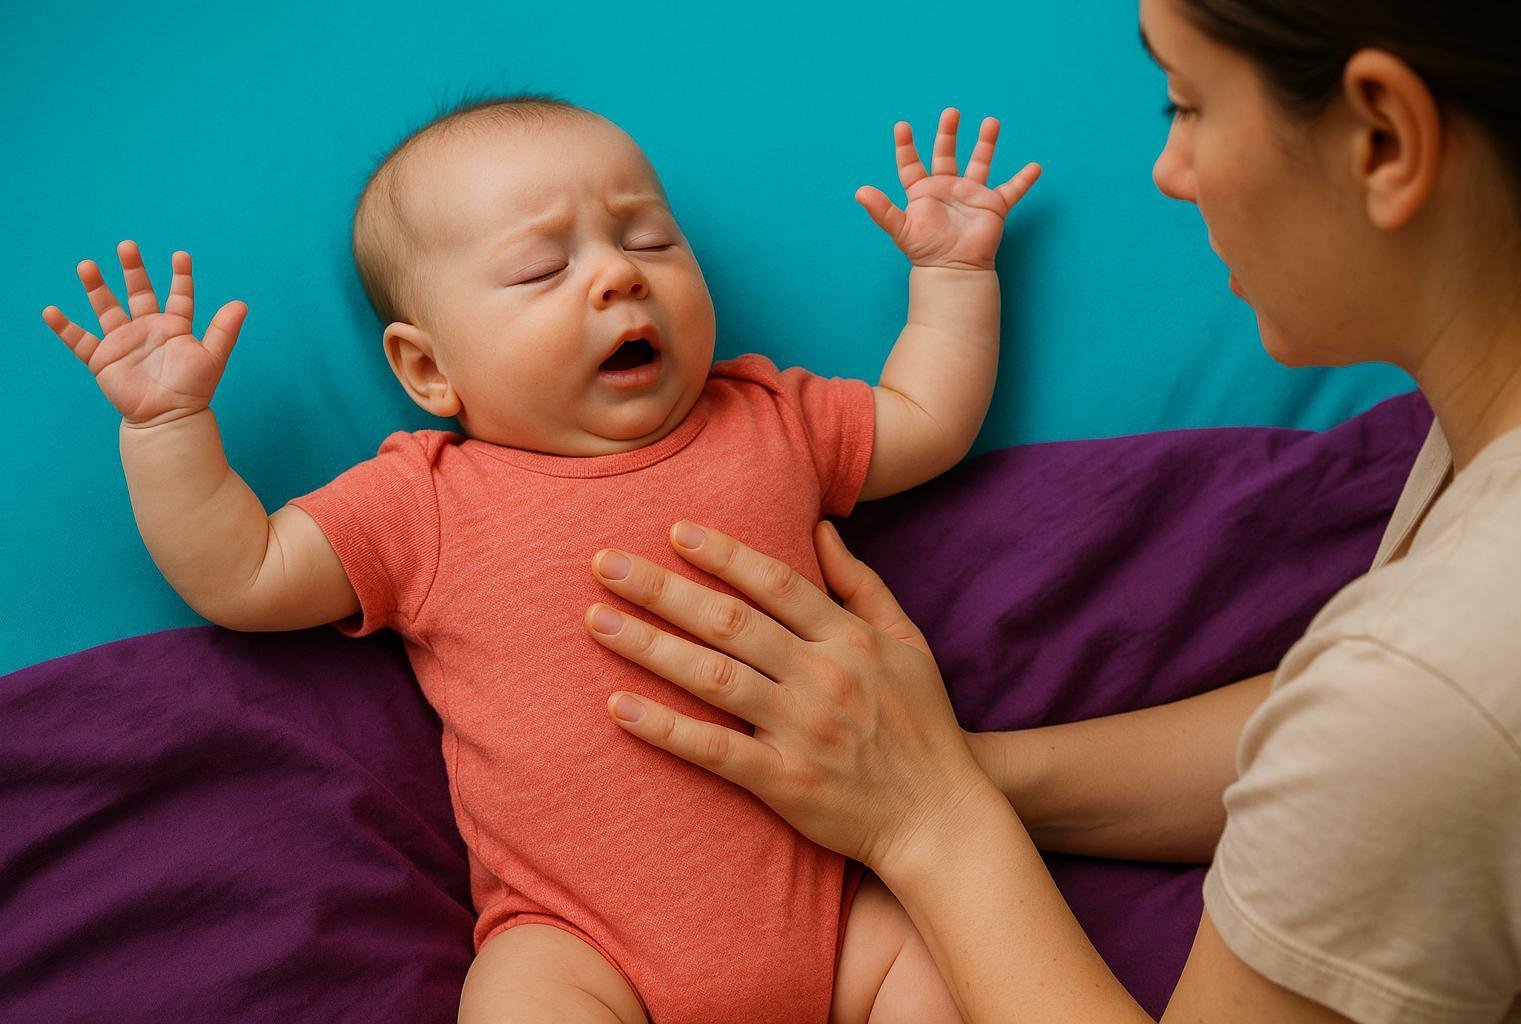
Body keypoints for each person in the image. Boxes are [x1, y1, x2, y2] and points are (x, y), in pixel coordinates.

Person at [578, 1, 1521, 1021]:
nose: (1170, 170)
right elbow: (1340, 762)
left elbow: (1403, 727)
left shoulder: (1442, 669)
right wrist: (942, 768)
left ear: (1384, 138)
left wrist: (928, 820)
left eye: (1188, 105)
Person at [39, 98, 1043, 1023]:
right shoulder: (424, 501)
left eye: (649, 239)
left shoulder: (768, 418)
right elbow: (245, 572)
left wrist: (953, 276)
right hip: (583, 944)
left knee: (945, 960)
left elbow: (925, 418)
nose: (621, 274)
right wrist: (166, 429)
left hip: (841, 903)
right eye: (540, 269)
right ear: (428, 367)